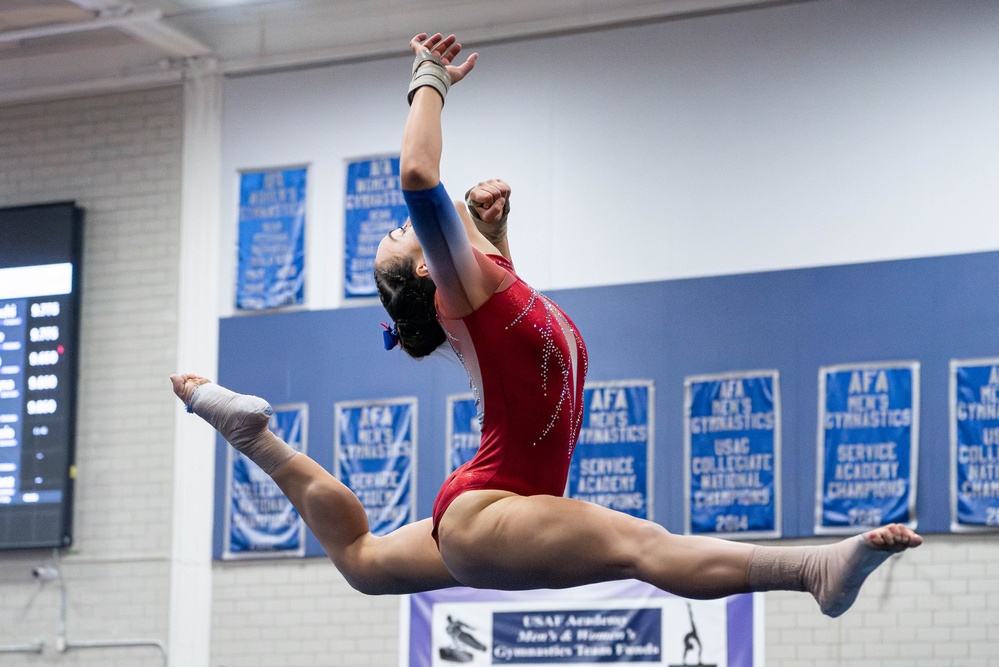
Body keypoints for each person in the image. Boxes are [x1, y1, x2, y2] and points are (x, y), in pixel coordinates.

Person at [171, 32, 920, 616]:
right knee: (639, 544)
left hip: (491, 509)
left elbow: (513, 341)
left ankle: (248, 431)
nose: (405, 229)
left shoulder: (488, 289)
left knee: (364, 560)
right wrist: (428, 81)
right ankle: (810, 569)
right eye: (402, 240)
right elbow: (417, 177)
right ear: (427, 268)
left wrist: (496, 233)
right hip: (486, 510)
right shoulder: (454, 291)